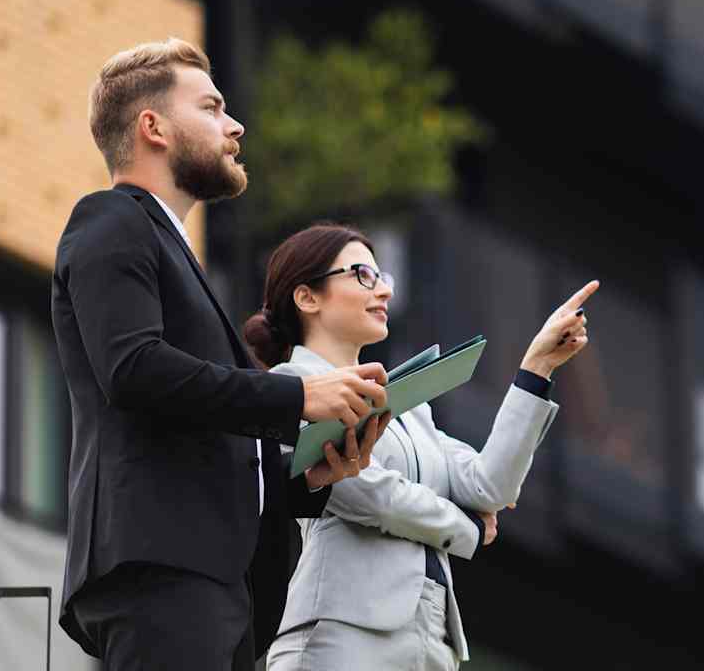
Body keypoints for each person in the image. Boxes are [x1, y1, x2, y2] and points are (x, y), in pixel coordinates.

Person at [52, 38, 395, 670]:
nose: (234, 125)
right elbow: (133, 369)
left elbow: (211, 443)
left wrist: (308, 482)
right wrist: (299, 397)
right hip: (164, 569)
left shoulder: (177, 253)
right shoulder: (110, 219)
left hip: (221, 588)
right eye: (211, 107)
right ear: (151, 126)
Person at [248, 224, 596, 670]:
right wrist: (463, 525)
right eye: (362, 275)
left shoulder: (408, 406)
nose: (384, 291)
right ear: (307, 297)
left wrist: (536, 368)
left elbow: (490, 486)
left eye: (382, 277)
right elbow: (367, 492)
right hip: (340, 637)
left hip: (431, 641)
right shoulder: (293, 387)